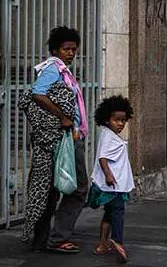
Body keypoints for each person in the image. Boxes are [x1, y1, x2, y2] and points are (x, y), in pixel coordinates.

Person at [21, 26, 89, 253]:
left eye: (74, 49)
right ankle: (58, 237)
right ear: (55, 50)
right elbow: (37, 93)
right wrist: (63, 117)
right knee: (78, 189)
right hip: (65, 138)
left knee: (53, 189)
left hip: (68, 136)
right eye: (66, 49)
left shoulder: (61, 70)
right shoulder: (53, 68)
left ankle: (42, 237)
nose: (71, 53)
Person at [87, 95, 135, 263]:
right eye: (116, 120)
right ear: (107, 120)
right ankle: (118, 240)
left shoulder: (110, 134)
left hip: (114, 183)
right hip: (114, 184)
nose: (120, 124)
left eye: (123, 120)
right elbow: (102, 158)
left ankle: (102, 244)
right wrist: (108, 175)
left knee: (109, 213)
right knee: (118, 212)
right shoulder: (108, 136)